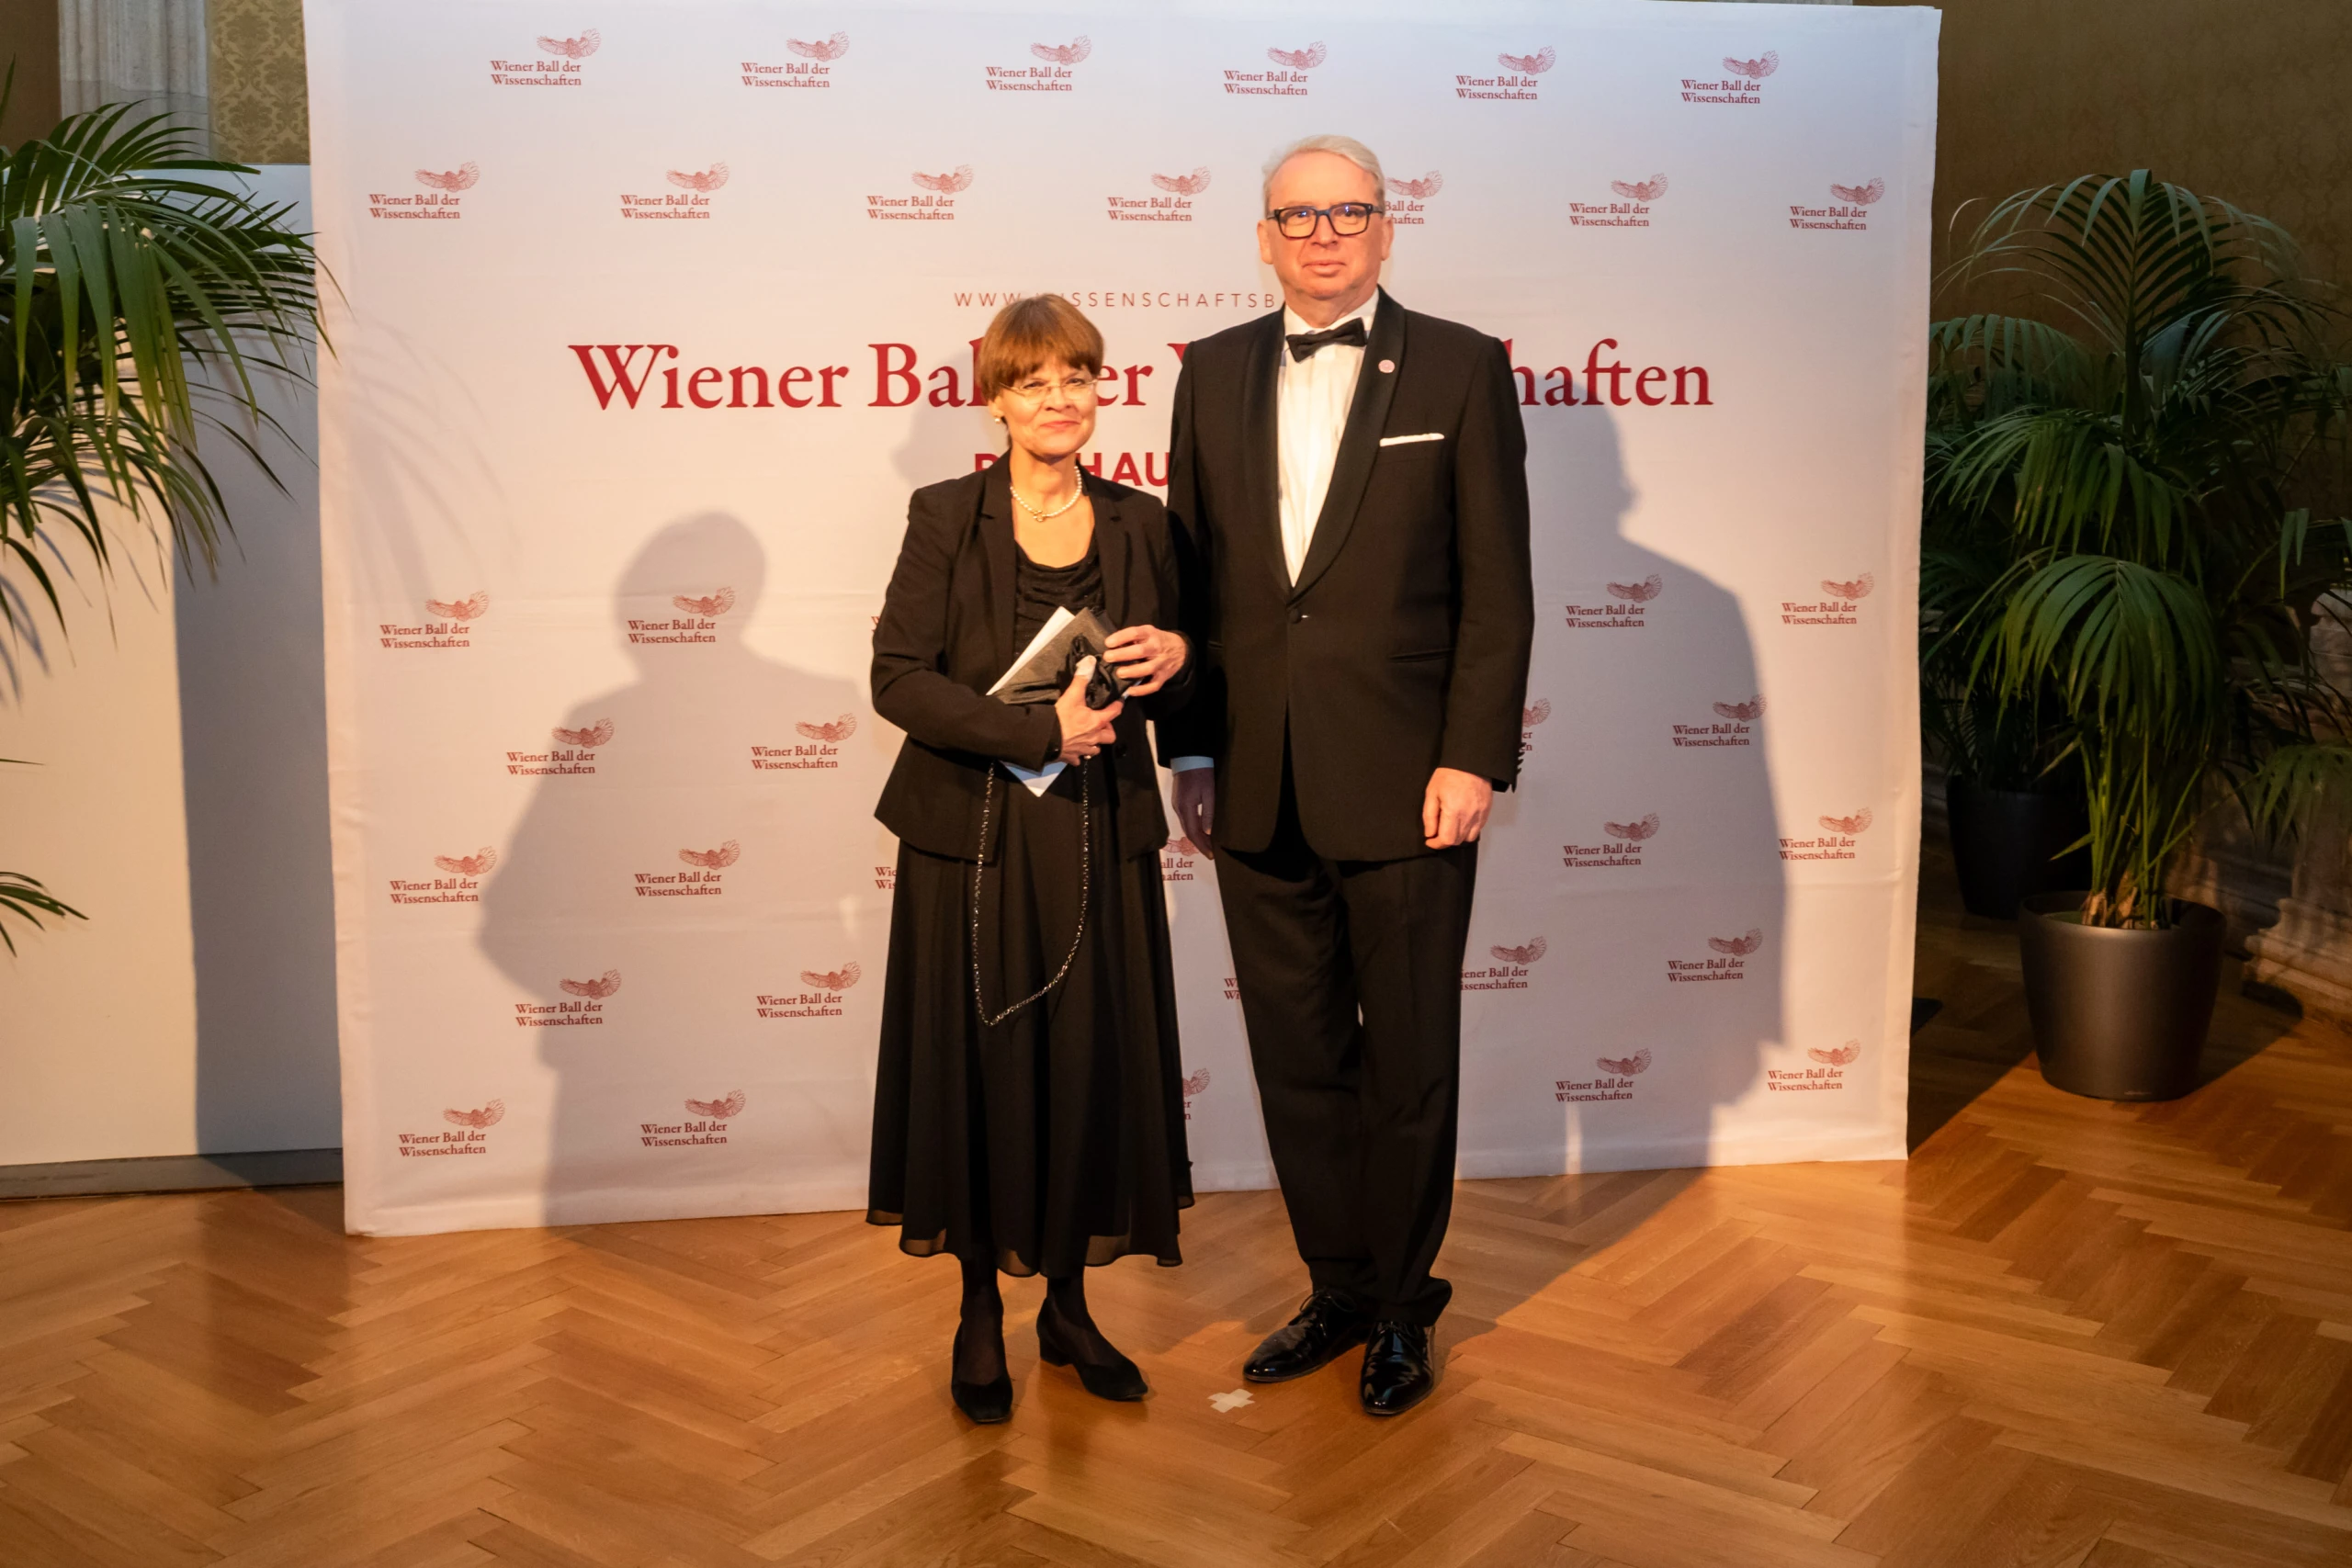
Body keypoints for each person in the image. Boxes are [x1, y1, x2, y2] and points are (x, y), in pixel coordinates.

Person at [1160, 135, 1533, 1416]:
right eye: (1297, 215)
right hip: (1253, 776)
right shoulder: (1209, 371)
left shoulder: (1462, 366)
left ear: (1386, 226)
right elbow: (1190, 578)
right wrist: (1190, 745)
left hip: (1410, 780)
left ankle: (1404, 1308)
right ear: (1261, 237)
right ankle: (1337, 1286)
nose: (1322, 235)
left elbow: (1497, 587)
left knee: (1410, 1059)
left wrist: (1473, 753)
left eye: (1347, 212)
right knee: (1298, 1057)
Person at [867, 295, 1196, 1425]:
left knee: (1087, 1064)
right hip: (972, 839)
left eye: (1076, 378)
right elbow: (898, 677)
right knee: (977, 1068)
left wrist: (1180, 653)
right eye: (1032, 382)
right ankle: (976, 1310)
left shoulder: (1142, 522)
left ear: (1100, 390)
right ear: (996, 401)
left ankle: (1066, 1306)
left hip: (1099, 829)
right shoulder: (944, 514)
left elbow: (1191, 678)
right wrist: (1033, 732)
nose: (1059, 400)